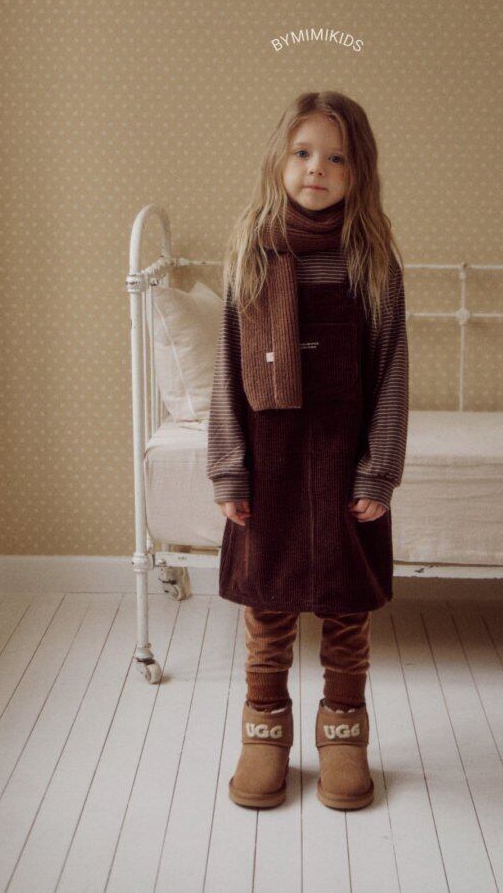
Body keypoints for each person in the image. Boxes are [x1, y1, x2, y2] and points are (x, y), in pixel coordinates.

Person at [206, 91, 409, 811]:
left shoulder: (372, 262)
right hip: (272, 463)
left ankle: (343, 731)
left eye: (336, 157)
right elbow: (227, 372)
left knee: (346, 606)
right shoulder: (252, 255)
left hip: (345, 460)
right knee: (268, 605)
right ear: (279, 160)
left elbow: (390, 373)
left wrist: (378, 471)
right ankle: (264, 729)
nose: (316, 168)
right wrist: (229, 467)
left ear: (360, 172)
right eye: (302, 153)